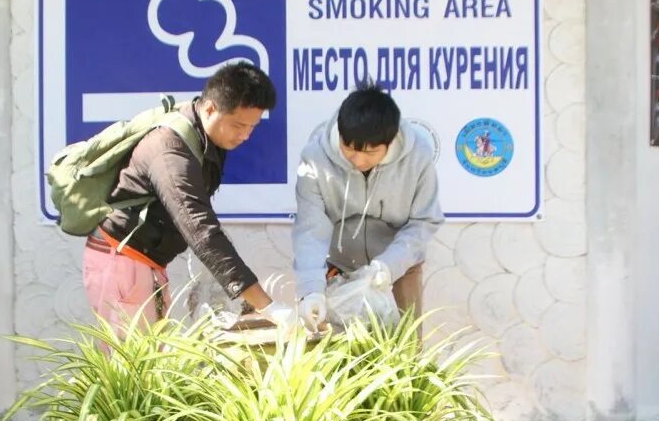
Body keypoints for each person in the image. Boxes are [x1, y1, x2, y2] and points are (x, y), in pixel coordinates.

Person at [84, 62, 295, 331]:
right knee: (130, 369)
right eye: (238, 126)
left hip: (143, 263)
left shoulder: (206, 136)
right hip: (122, 264)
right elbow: (199, 229)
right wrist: (267, 305)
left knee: (150, 361)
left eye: (252, 127)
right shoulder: (170, 151)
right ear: (210, 108)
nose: (245, 136)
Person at [292, 83, 444, 330]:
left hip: (399, 267)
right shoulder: (315, 158)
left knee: (404, 351)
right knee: (333, 353)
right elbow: (311, 228)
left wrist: (389, 265)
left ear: (391, 141)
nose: (358, 160)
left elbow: (424, 221)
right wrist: (310, 289)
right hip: (335, 268)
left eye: (371, 152)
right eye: (349, 149)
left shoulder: (418, 157)